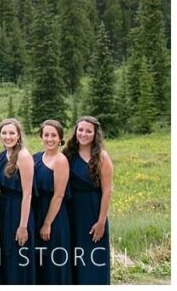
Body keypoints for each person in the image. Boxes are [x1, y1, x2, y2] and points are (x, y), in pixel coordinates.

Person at [63, 116, 113, 285]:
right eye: (81, 130)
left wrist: (101, 222)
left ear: (95, 134)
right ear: (76, 131)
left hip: (93, 211)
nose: (83, 134)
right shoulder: (68, 155)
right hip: (71, 212)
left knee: (93, 258)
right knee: (73, 257)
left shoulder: (101, 157)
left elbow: (107, 191)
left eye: (88, 131)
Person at [0, 117, 35, 284]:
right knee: (5, 255)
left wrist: (23, 226)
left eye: (12, 133)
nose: (8, 136)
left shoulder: (23, 156)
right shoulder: (2, 156)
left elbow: (28, 194)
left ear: (19, 136)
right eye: (4, 133)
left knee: (18, 255)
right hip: (3, 207)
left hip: (19, 210)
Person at [33, 119, 71, 283]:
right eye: (46, 135)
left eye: (54, 135)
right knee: (38, 261)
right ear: (41, 137)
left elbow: (59, 195)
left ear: (60, 138)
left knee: (53, 262)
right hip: (35, 211)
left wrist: (47, 223)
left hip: (53, 215)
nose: (49, 139)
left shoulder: (61, 160)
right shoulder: (36, 157)